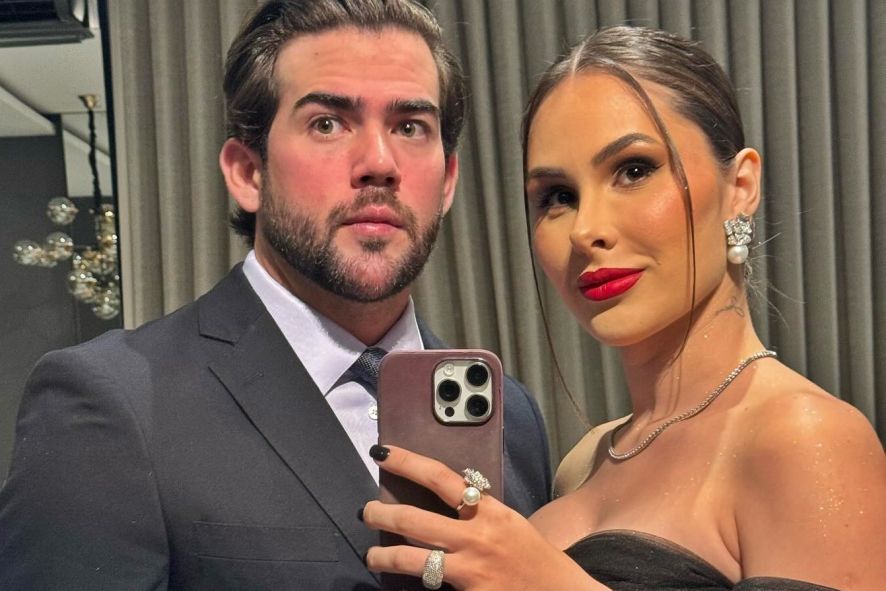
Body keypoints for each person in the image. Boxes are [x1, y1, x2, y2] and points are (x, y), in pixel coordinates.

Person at [0, 1, 552, 589]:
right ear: (248, 173)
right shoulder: (111, 403)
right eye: (327, 123)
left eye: (410, 127)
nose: (379, 162)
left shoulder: (511, 418)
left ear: (446, 181)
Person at [362, 26, 886, 591]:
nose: (585, 229)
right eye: (558, 197)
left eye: (634, 170)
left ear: (740, 186)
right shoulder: (583, 461)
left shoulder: (804, 438)